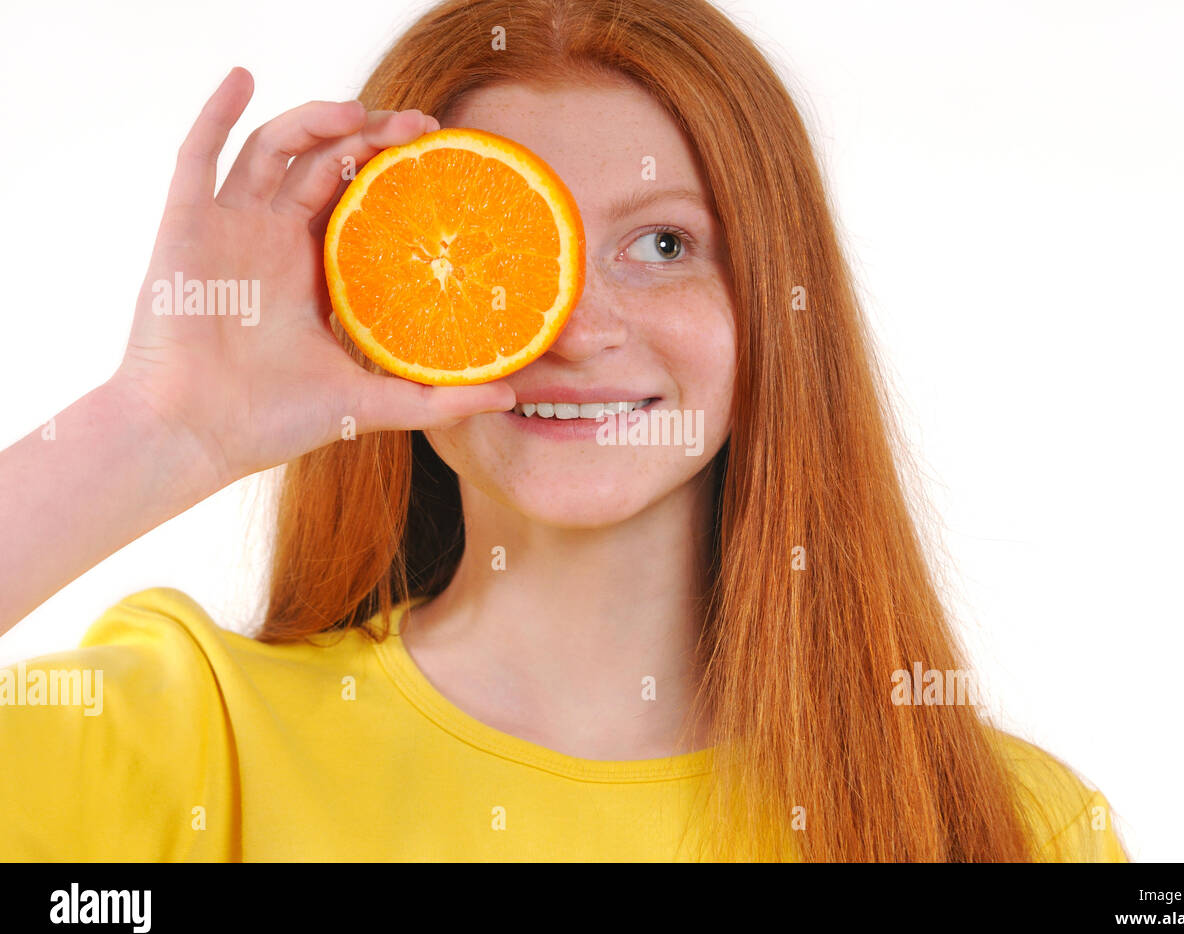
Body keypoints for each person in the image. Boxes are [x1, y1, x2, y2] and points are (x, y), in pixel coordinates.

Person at [0, 0, 1127, 862]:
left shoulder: (1002, 822)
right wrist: (159, 427)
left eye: (665, 245)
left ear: (777, 305)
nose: (576, 327)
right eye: (490, 258)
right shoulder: (191, 739)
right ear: (379, 311)